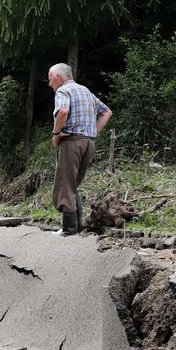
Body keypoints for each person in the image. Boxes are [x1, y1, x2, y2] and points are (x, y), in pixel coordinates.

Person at [48, 63, 112, 235]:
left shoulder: (63, 91)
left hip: (71, 142)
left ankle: (68, 229)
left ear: (58, 77)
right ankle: (78, 225)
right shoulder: (85, 91)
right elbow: (107, 112)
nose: (49, 84)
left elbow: (62, 112)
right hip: (88, 143)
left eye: (50, 79)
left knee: (65, 184)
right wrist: (93, 131)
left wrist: (56, 133)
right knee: (73, 184)